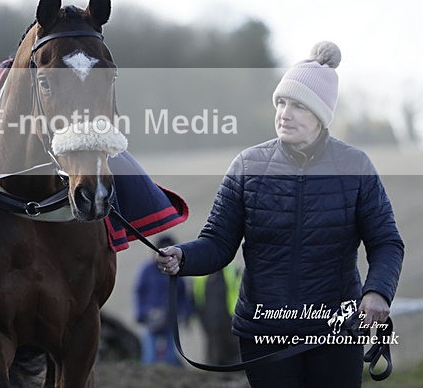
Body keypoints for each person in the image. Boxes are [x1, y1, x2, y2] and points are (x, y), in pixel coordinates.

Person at [156, 41, 404, 387]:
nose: (284, 114)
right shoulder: (246, 167)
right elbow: (218, 243)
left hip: (336, 331)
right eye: (281, 103)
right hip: (264, 332)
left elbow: (387, 242)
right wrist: (183, 257)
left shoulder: (356, 167)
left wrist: (377, 291)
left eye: (298, 106)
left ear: (320, 115)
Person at [134, 234, 192, 366]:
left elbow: (183, 295)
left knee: (171, 357)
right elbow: (139, 294)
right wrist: (145, 313)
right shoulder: (146, 271)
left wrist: (184, 313)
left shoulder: (178, 271)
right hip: (151, 322)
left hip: (170, 321)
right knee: (149, 358)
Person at [192, 264, 242, 365]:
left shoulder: (232, 271)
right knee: (214, 347)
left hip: (230, 316)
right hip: (210, 318)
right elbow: (196, 296)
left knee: (232, 346)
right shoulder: (200, 275)